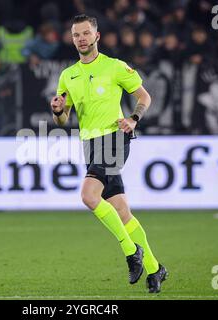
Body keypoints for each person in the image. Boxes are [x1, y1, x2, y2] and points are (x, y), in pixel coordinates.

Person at [50, 14, 168, 294]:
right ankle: (155, 269)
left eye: (86, 33)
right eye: (76, 34)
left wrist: (134, 119)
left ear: (97, 36)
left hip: (115, 137)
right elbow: (63, 119)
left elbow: (144, 97)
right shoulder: (68, 75)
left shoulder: (115, 67)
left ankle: (131, 252)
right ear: (72, 38)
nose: (81, 38)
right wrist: (57, 111)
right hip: (90, 144)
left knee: (88, 196)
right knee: (121, 211)